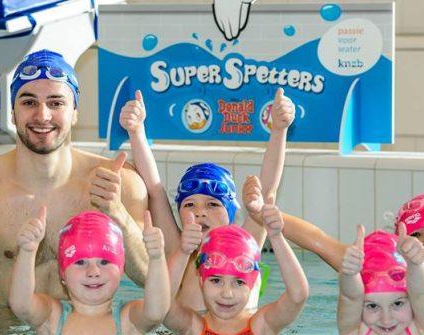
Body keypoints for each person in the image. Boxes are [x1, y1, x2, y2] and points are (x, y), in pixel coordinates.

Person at [0, 49, 149, 304]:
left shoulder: (119, 182)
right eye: (29, 102)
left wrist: (117, 213)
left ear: (74, 112)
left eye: (56, 103)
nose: (42, 116)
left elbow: (148, 278)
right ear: (12, 112)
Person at [120, 88, 295, 312]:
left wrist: (279, 130)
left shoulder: (244, 246)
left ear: (232, 212)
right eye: (190, 205)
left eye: (213, 204)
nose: (200, 212)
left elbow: (268, 192)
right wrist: (136, 132)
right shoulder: (178, 250)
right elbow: (155, 190)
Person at [260, 193, 424, 334]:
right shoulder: (375, 274)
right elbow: (318, 240)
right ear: (398, 242)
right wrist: (264, 214)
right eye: (416, 235)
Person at [8, 209, 169, 335]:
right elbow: (21, 305)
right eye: (80, 262)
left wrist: (156, 258)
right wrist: (27, 252)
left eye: (104, 262)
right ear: (62, 273)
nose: (93, 272)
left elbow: (156, 312)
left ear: (121, 270)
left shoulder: (128, 319)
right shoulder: (52, 316)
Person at [162, 197, 309, 335]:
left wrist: (276, 237)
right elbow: (161, 303)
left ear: (251, 285)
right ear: (201, 280)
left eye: (239, 282)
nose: (227, 294)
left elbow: (298, 295)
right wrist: (183, 252)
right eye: (216, 280)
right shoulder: (192, 328)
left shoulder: (262, 327)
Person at [338, 225, 424, 335]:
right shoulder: (354, 333)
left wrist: (416, 264)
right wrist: (349, 274)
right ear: (359, 307)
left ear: (412, 301)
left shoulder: (422, 332)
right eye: (372, 306)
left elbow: (422, 293)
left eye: (397, 304)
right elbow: (350, 296)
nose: (386, 319)